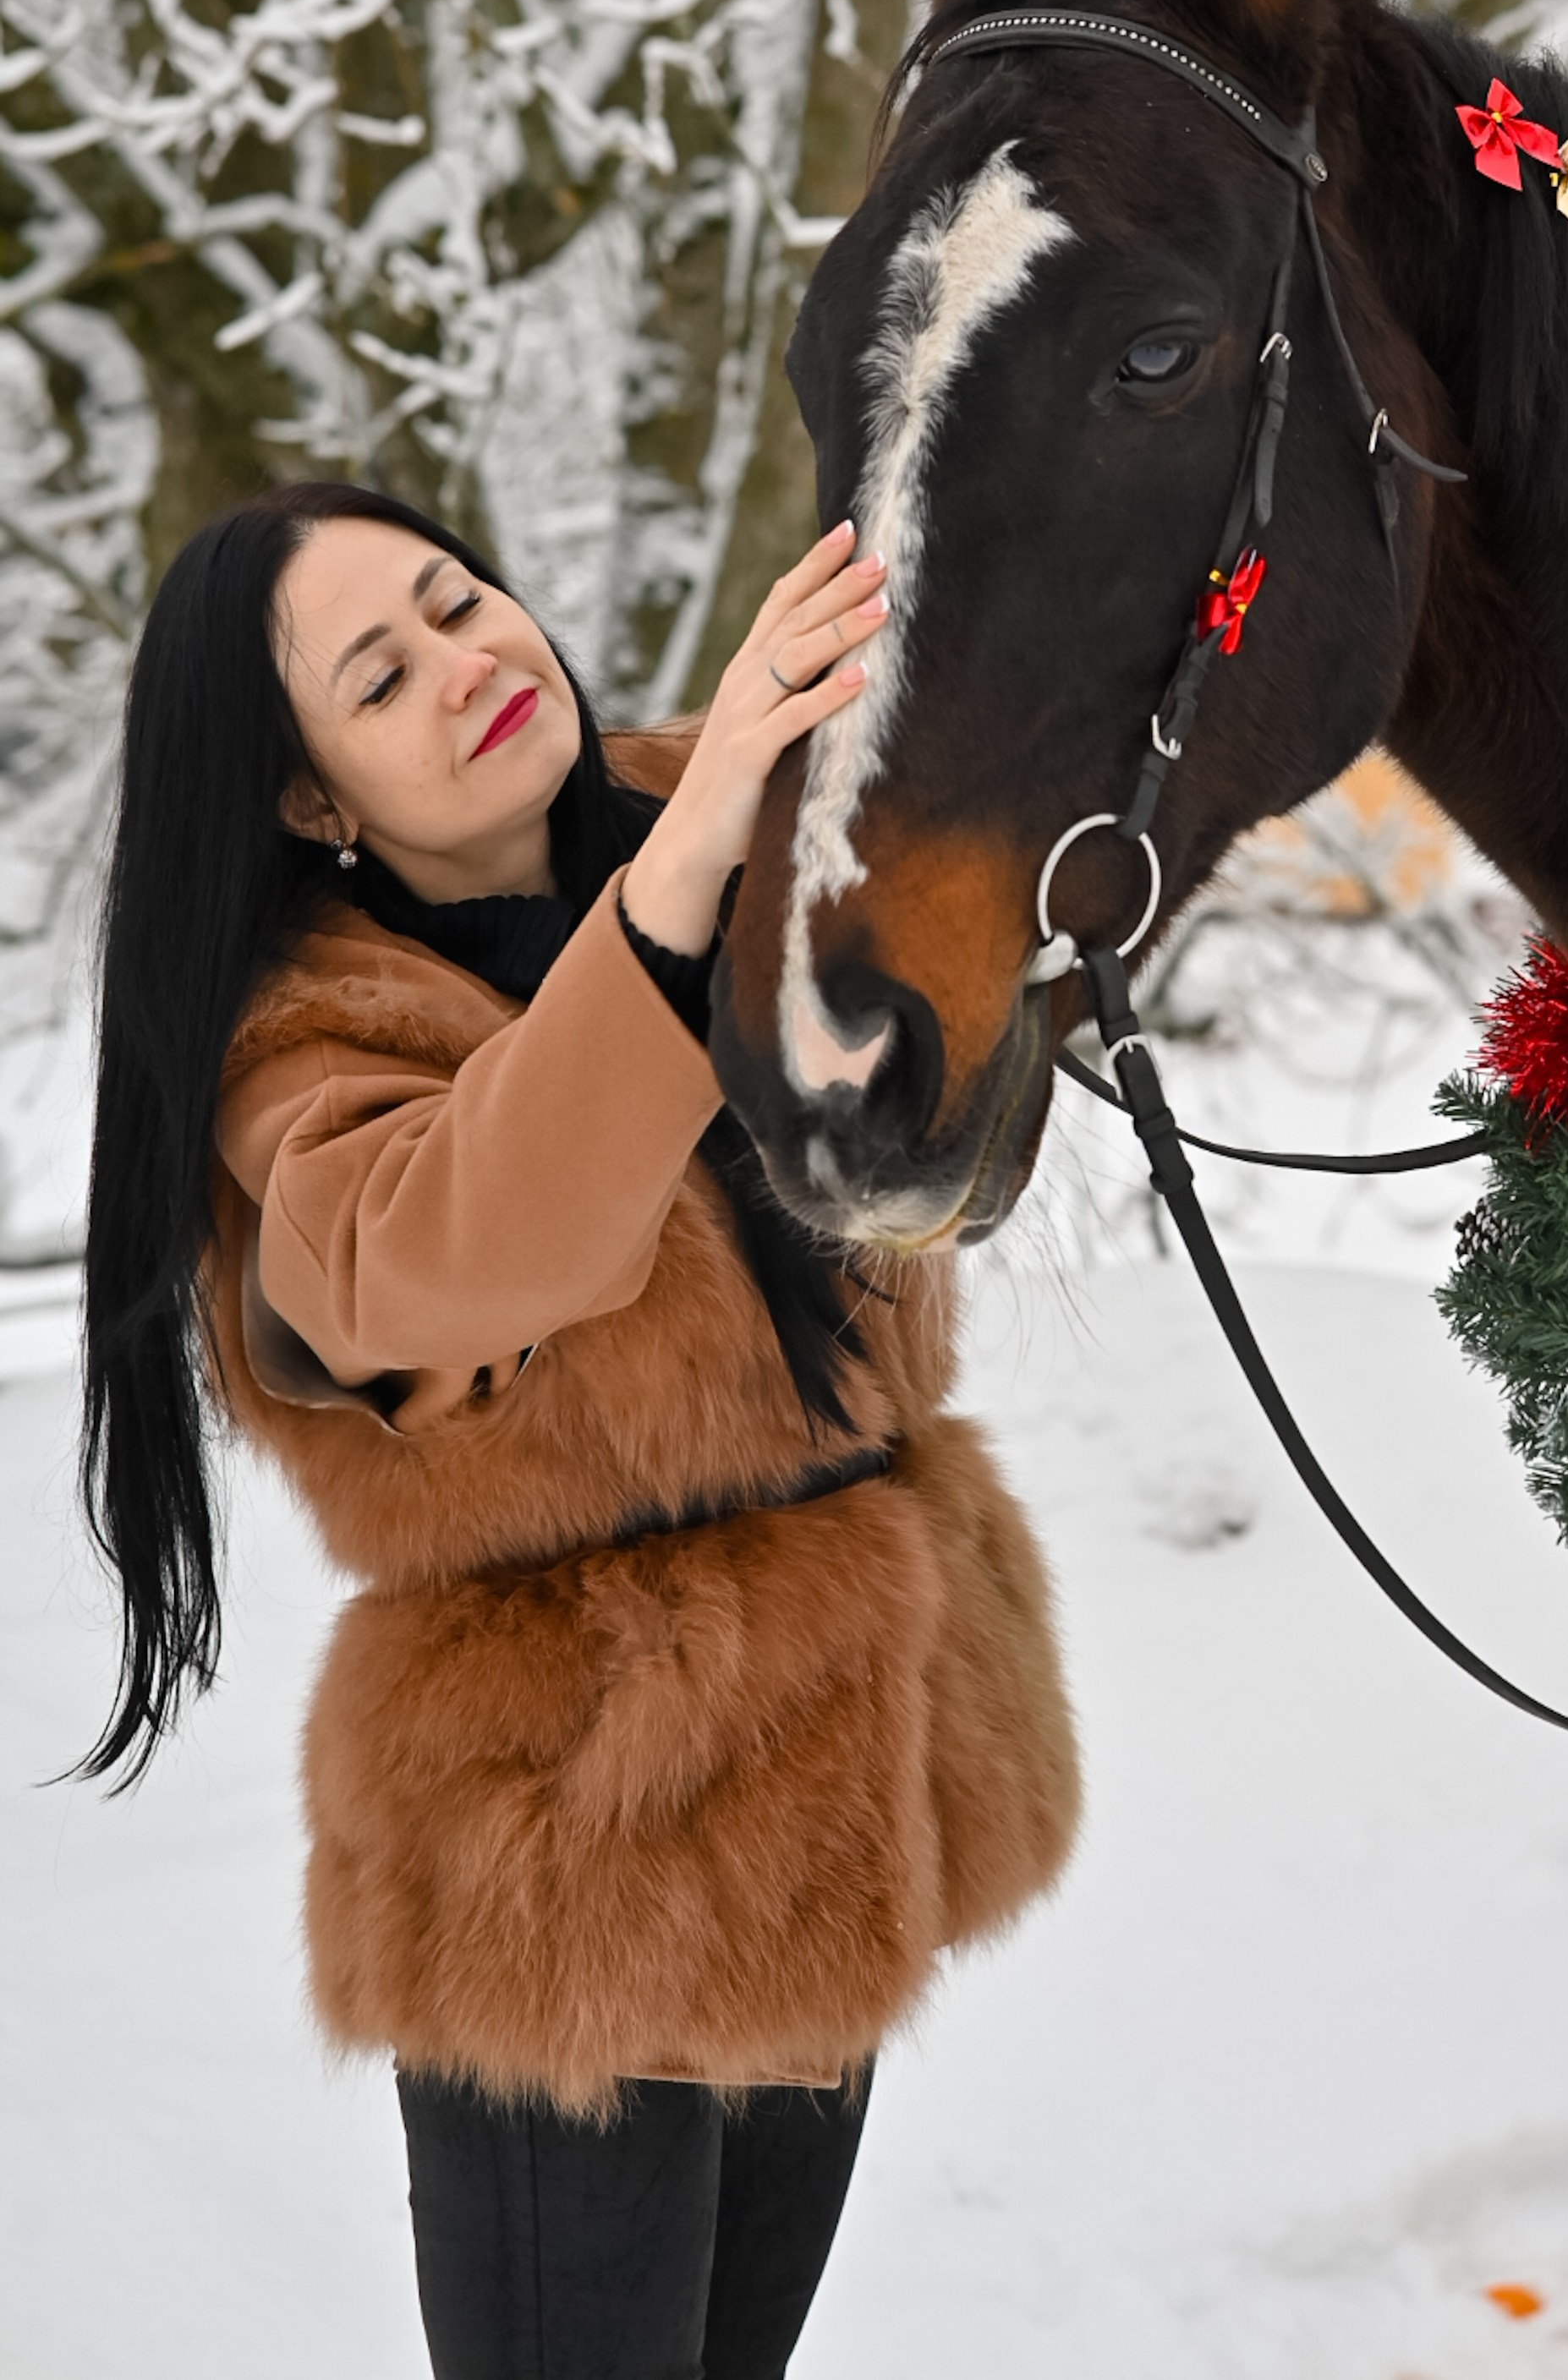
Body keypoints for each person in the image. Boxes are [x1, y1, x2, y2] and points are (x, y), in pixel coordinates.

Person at [79, 479, 1080, 2380]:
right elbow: (466, 1245)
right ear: (312, 795)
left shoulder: (749, 806)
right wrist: (684, 871)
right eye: (383, 673)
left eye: (460, 603)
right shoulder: (298, 1054)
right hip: (572, 1838)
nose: (468, 663)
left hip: (851, 1759)